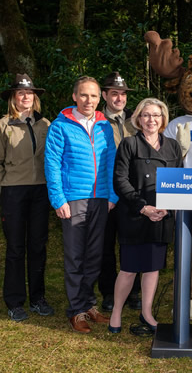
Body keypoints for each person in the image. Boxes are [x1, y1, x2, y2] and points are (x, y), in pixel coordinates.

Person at [45, 76, 118, 333]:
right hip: (73, 199)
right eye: (84, 95)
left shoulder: (104, 126)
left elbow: (111, 161)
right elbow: (52, 164)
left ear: (101, 99)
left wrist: (112, 196)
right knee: (75, 256)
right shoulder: (60, 126)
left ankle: (89, 304)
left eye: (94, 96)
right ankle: (76, 310)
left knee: (95, 255)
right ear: (75, 96)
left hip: (101, 199)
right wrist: (59, 199)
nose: (89, 100)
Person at [109, 98, 182, 334]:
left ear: (163, 120)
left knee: (152, 267)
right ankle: (116, 311)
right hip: (135, 214)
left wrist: (167, 208)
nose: (152, 120)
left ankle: (147, 312)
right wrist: (143, 208)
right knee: (129, 268)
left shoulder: (173, 146)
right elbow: (120, 181)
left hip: (162, 215)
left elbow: (180, 181)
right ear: (138, 119)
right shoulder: (129, 144)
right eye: (146, 115)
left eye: (156, 115)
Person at [0, 73, 54, 322]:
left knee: (37, 245)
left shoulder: (46, 125)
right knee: (15, 248)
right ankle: (14, 300)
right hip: (13, 191)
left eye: (30, 93)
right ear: (13, 97)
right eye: (21, 93)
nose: (26, 97)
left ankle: (38, 298)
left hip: (40, 191)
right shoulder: (3, 125)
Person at [99, 71, 141, 312]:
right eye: (114, 93)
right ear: (104, 95)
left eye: (123, 94)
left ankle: (133, 292)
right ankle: (107, 291)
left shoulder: (135, 120)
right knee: (106, 244)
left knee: (131, 244)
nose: (119, 98)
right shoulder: (95, 120)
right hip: (105, 192)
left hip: (131, 193)